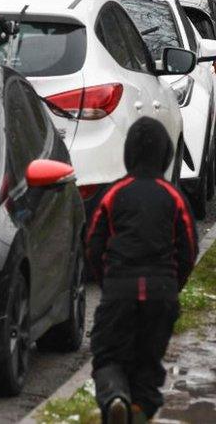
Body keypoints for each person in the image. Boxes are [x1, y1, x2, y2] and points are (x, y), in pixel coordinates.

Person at [86, 116, 198, 424]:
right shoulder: (174, 197)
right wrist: (174, 286)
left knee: (108, 355)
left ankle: (115, 397)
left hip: (120, 288)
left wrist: (107, 280)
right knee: (148, 364)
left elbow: (93, 246)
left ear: (128, 154)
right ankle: (140, 409)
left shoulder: (114, 194)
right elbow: (189, 249)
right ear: (166, 155)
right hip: (161, 290)